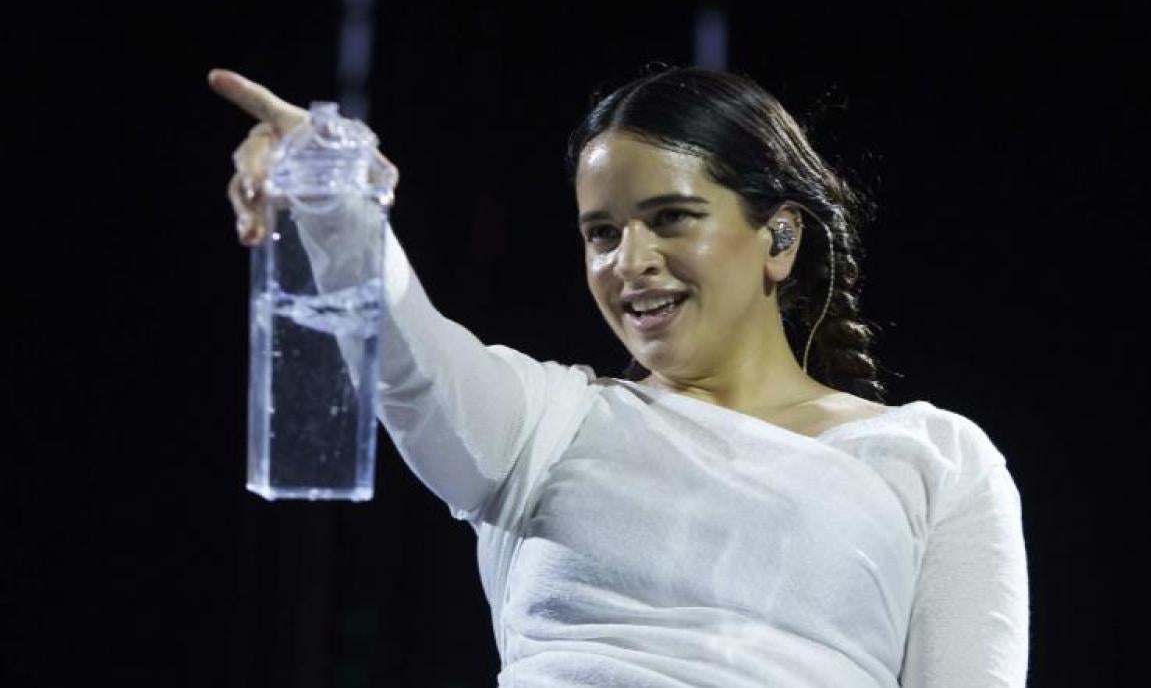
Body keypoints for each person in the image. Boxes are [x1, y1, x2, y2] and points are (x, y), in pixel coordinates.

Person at [211, 66, 1030, 687]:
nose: (629, 263)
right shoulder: (546, 423)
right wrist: (331, 195)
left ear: (778, 240)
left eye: (672, 218)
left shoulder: (934, 460)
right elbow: (408, 360)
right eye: (601, 233)